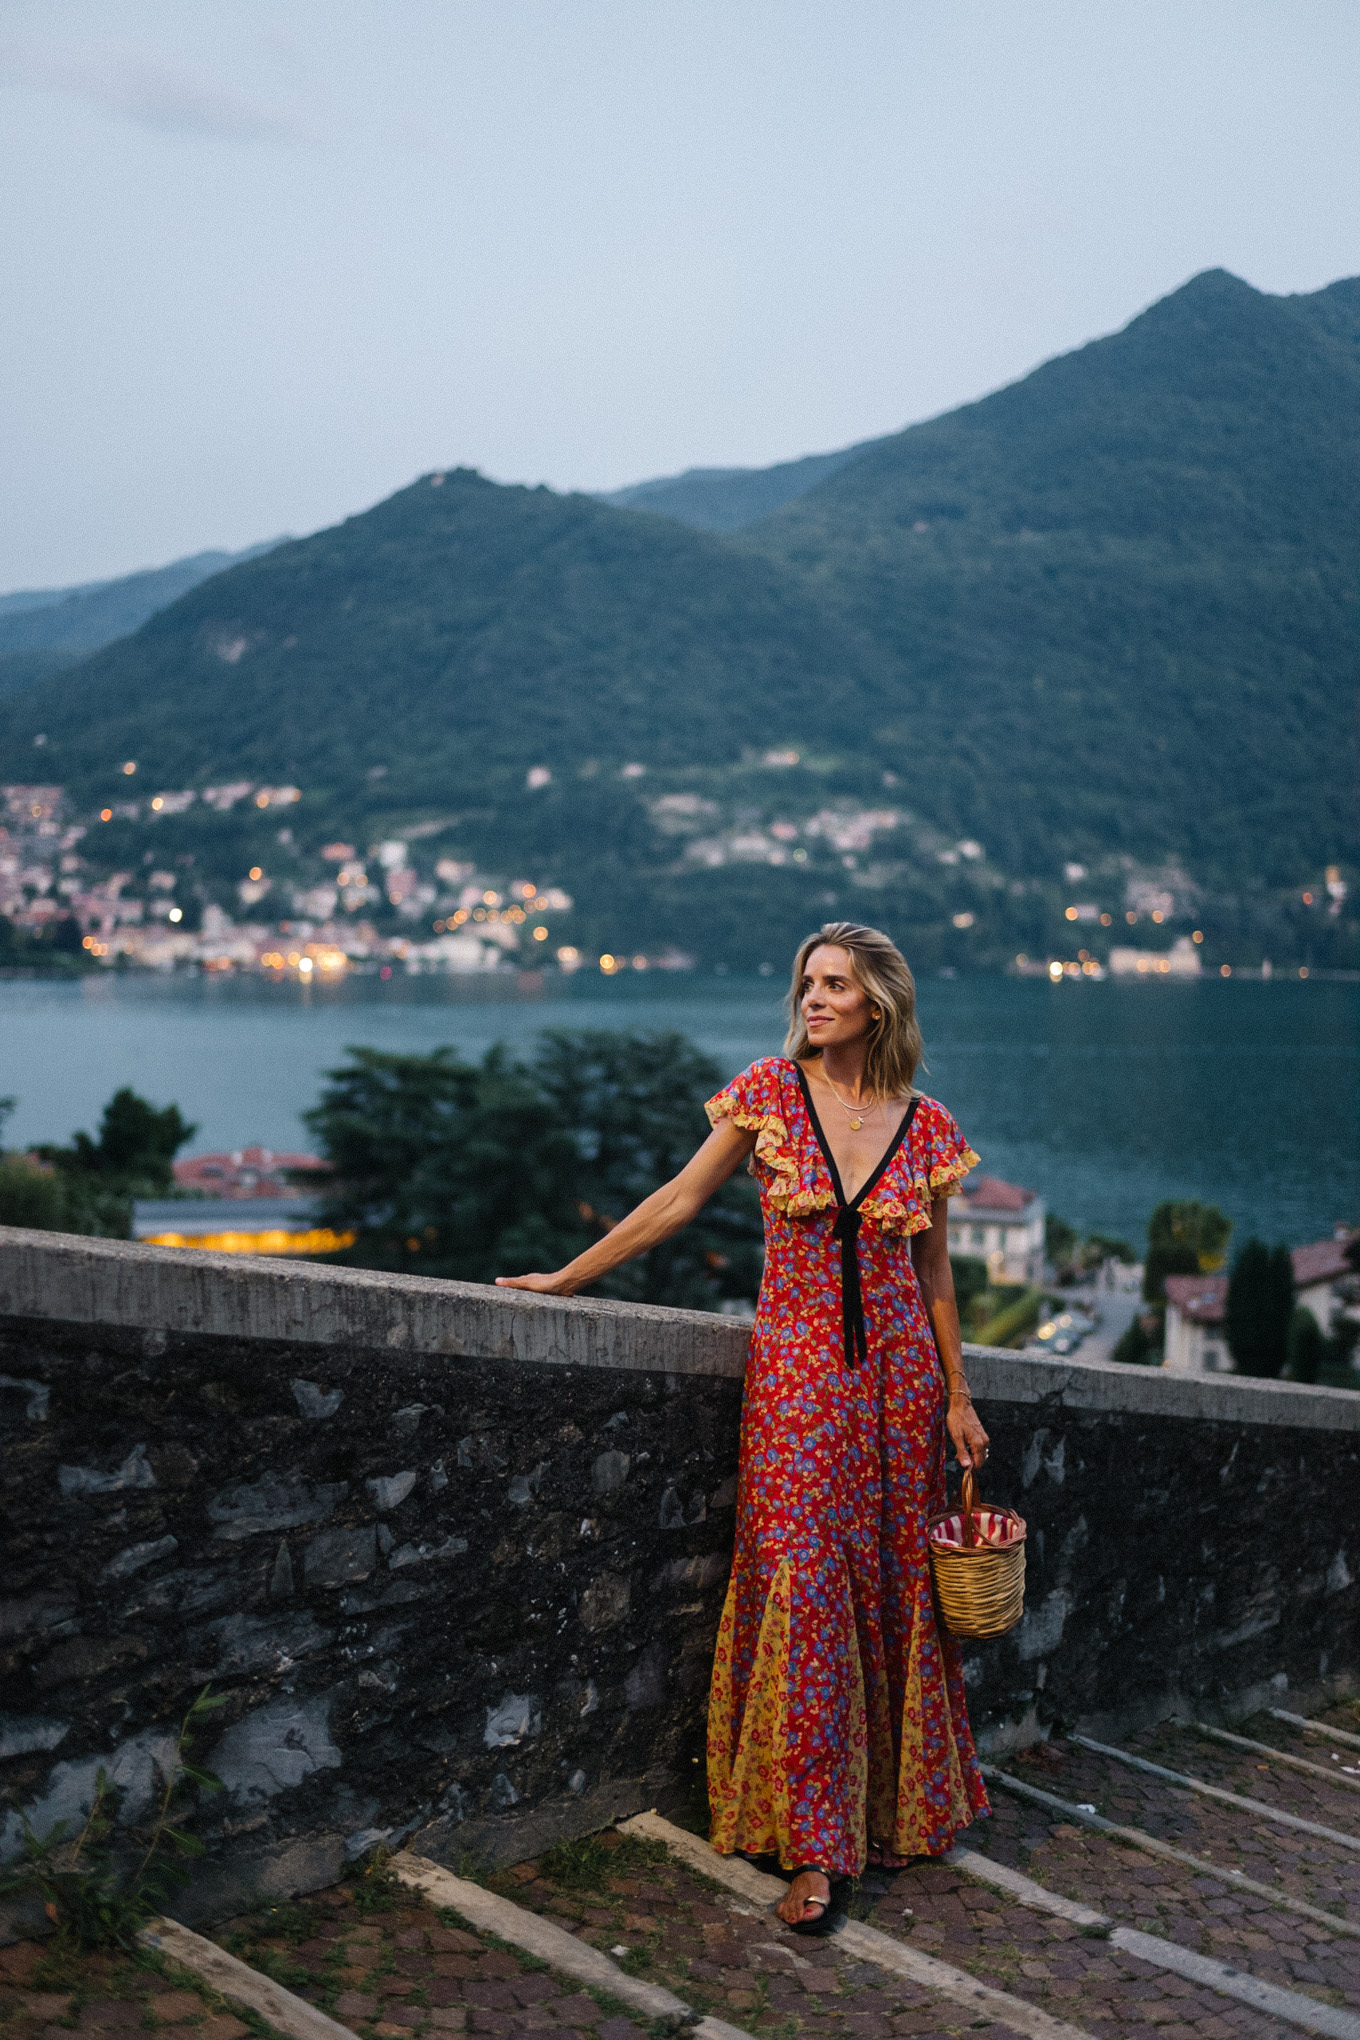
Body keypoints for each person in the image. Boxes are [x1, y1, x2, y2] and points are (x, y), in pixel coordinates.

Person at [498, 922, 991, 1932]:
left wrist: (957, 1393)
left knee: (896, 1585)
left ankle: (888, 1809)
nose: (811, 999)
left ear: (876, 1005)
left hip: (899, 1384)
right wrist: (565, 1278)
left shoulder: (926, 1125)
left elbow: (932, 1273)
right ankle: (815, 1844)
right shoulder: (768, 1091)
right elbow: (677, 1201)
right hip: (801, 1374)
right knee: (805, 1584)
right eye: (807, 982)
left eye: (834, 985)